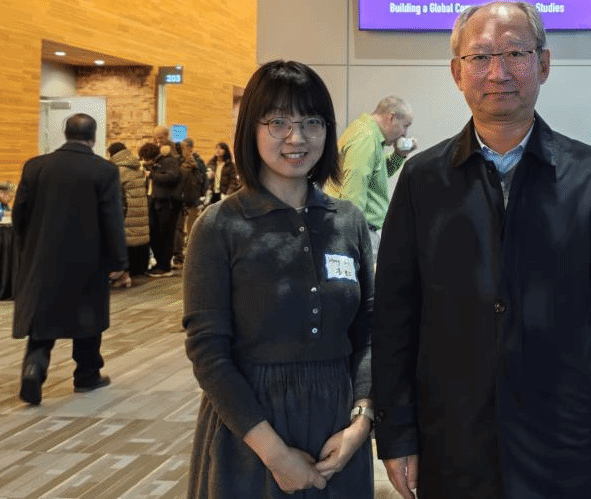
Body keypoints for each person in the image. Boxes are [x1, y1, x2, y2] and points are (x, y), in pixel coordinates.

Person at [372, 1, 591, 499]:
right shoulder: (422, 180)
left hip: (565, 442)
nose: (498, 72)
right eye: (480, 57)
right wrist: (396, 434)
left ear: (544, 64)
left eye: (515, 54)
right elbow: (395, 318)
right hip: (452, 442)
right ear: (457, 72)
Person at [183, 60, 374, 498]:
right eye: (278, 122)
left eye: (312, 122)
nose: (296, 137)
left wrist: (361, 420)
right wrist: (276, 454)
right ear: (251, 129)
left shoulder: (348, 221)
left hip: (338, 430)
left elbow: (369, 329)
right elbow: (208, 352)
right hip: (249, 431)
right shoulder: (220, 225)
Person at [12, 113, 128, 405]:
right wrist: (118, 261)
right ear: (93, 137)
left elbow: (19, 214)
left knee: (42, 317)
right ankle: (87, 375)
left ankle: (34, 366)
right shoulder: (104, 171)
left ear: (65, 133)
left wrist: (29, 246)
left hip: (42, 256)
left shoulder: (35, 166)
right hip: (87, 258)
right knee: (87, 315)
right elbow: (112, 219)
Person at [324, 95, 416, 263]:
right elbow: (353, 190)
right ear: (391, 118)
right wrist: (353, 239)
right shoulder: (366, 138)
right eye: (405, 126)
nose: (405, 134)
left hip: (356, 229)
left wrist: (399, 155)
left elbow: (375, 177)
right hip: (356, 231)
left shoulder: (369, 134)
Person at [108, 141, 152, 284]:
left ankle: (124, 275)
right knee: (137, 239)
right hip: (140, 209)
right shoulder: (136, 167)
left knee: (125, 241)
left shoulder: (117, 170)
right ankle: (135, 271)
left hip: (127, 210)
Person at [145, 137, 181, 277]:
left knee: (165, 235)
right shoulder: (158, 163)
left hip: (168, 203)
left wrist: (152, 175)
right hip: (156, 202)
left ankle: (164, 266)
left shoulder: (168, 161)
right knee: (154, 233)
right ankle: (160, 263)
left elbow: (172, 177)